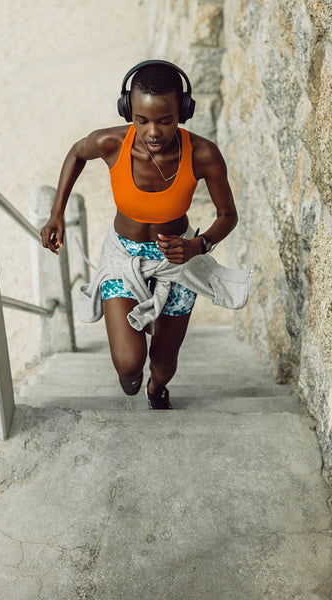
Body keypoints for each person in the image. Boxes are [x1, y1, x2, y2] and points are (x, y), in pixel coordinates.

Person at [41, 60, 250, 410]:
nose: (153, 132)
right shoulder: (111, 143)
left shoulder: (203, 154)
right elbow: (77, 153)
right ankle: (135, 375)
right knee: (127, 364)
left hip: (178, 263)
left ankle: (157, 388)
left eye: (165, 120)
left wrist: (198, 245)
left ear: (183, 111)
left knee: (164, 363)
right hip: (123, 257)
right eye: (142, 120)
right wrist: (56, 213)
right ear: (129, 112)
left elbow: (228, 215)